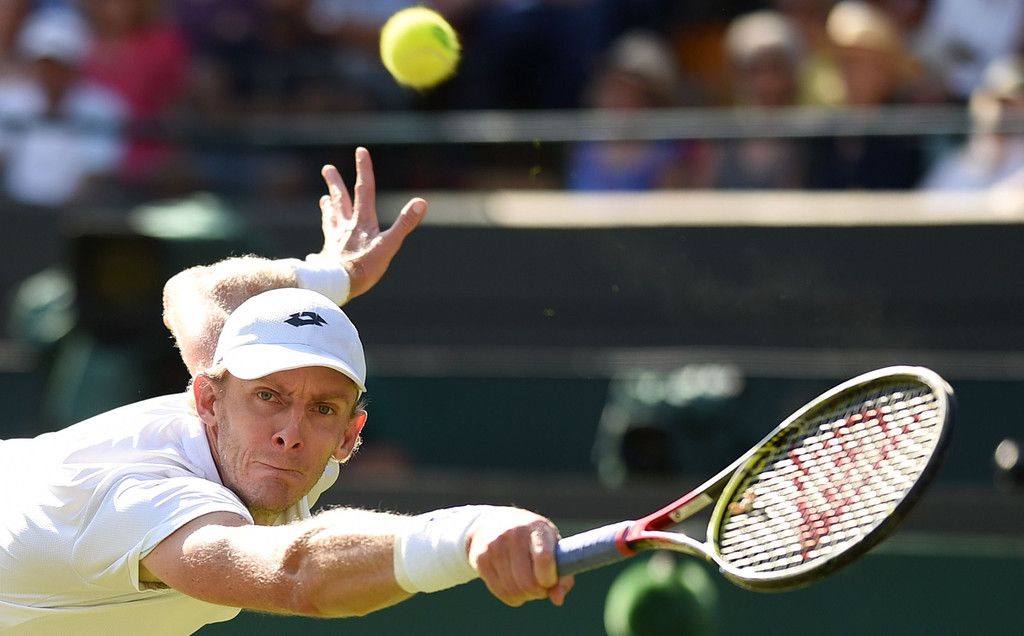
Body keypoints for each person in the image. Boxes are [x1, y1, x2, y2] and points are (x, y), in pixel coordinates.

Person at [0, 147, 574, 633]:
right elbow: (297, 572)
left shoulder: (247, 416)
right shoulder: (142, 496)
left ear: (349, 436)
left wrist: (334, 274)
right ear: (208, 401)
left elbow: (195, 288)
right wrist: (467, 533)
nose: (290, 433)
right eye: (268, 397)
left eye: (322, 408)